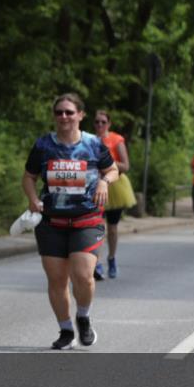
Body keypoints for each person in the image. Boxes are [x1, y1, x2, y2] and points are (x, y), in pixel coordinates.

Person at [22, 93, 119, 350]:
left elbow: (113, 170)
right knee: (56, 280)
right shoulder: (43, 145)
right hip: (52, 221)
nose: (64, 117)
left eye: (69, 112)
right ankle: (66, 331)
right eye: (59, 112)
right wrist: (32, 199)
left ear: (80, 115)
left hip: (87, 218)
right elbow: (29, 177)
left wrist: (103, 181)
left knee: (84, 276)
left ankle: (83, 316)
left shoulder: (94, 144)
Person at [92, 110, 135, 279]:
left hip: (115, 186)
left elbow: (125, 166)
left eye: (103, 122)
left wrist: (107, 162)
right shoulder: (89, 139)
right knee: (96, 226)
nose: (100, 125)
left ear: (109, 124)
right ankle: (96, 262)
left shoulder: (116, 140)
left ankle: (112, 258)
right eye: (97, 122)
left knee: (112, 227)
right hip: (95, 185)